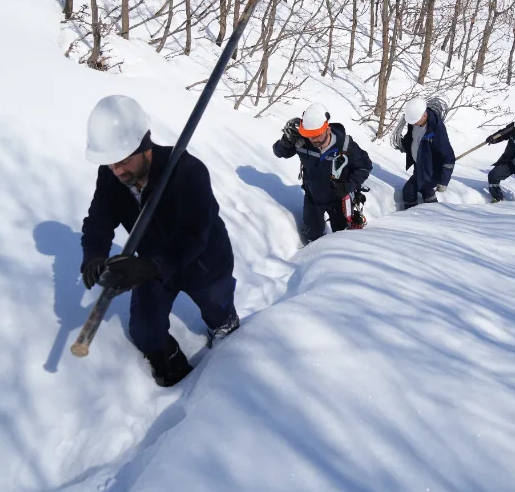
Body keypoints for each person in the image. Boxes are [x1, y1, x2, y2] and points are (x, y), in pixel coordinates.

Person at [79, 95, 239, 388]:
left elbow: (195, 236)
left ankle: (226, 339)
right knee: (145, 330)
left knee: (218, 310)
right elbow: (99, 219)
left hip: (204, 262)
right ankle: (172, 366)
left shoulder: (187, 171)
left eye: (124, 161)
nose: (117, 171)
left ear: (144, 145)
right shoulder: (111, 175)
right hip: (150, 264)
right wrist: (93, 255)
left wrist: (149, 267)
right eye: (110, 163)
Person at [273, 102, 373, 244]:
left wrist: (348, 186)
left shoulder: (344, 145)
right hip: (313, 198)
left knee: (343, 237)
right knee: (312, 236)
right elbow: (279, 152)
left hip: (339, 200)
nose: (312, 140)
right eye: (309, 135)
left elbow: (364, 166)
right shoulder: (302, 142)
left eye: (316, 135)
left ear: (327, 128)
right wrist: (285, 142)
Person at [397, 97, 456, 209]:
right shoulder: (415, 121)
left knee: (409, 191)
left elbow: (449, 157)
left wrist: (444, 181)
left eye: (415, 121)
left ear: (424, 115)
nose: (413, 124)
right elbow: (414, 139)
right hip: (419, 167)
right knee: (426, 190)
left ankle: (413, 216)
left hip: (430, 171)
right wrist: (404, 145)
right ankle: (435, 213)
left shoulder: (436, 130)